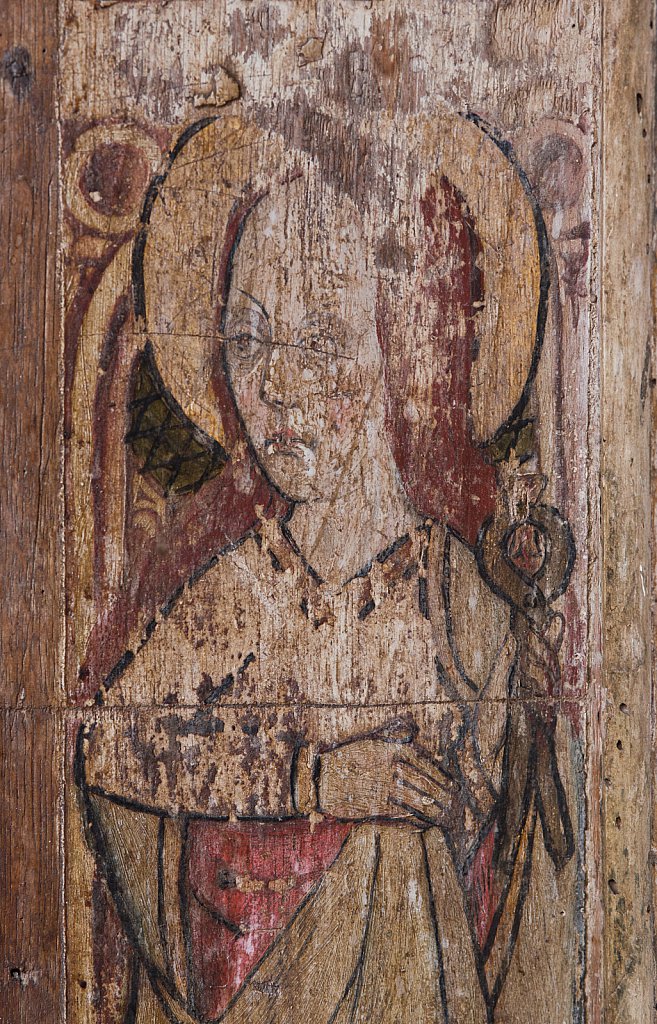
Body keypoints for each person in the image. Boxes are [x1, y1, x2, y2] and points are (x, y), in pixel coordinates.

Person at [77, 114, 578, 1023]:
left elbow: (531, 868)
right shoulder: (236, 591)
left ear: (392, 349)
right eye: (247, 340)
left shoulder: (461, 601)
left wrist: (522, 726)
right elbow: (111, 747)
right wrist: (313, 783)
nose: (273, 387)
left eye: (317, 342)